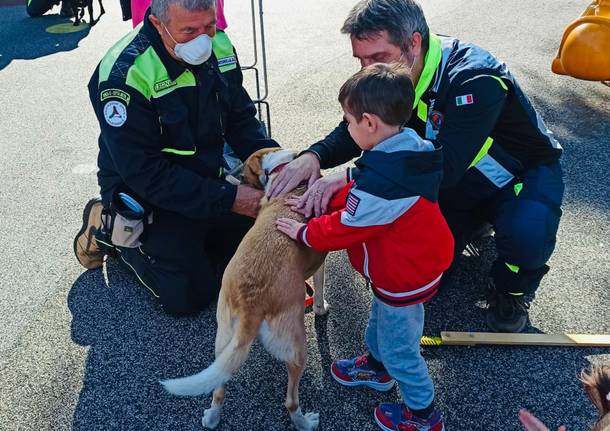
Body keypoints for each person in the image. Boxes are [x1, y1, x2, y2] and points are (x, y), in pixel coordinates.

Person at [270, 0, 564, 333]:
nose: (366, 69)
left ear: (414, 43)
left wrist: (349, 175)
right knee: (422, 274)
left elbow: (444, 167)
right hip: (455, 180)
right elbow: (365, 125)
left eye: (377, 58)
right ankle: (475, 226)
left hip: (518, 175)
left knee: (528, 235)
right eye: (360, 60)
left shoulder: (474, 78)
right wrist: (315, 155)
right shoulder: (398, 70)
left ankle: (512, 290)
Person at [276, 63, 453, 431]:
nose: (347, 128)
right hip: (407, 265)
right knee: (382, 320)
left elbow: (345, 228)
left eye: (348, 121)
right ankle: (377, 366)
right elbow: (368, 175)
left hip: (404, 276)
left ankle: (423, 414)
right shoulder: (408, 149)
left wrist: (303, 232)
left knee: (402, 349)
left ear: (369, 123)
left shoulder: (381, 187)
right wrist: (337, 188)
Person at [73, 0, 279, 316]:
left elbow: (241, 119)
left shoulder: (219, 44)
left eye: (209, 26)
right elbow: (145, 173)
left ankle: (196, 241)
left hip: (207, 178)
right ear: (157, 23)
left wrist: (275, 161)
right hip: (149, 191)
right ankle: (110, 229)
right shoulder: (124, 74)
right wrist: (231, 198)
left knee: (256, 255)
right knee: (188, 298)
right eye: (189, 31)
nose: (203, 40)